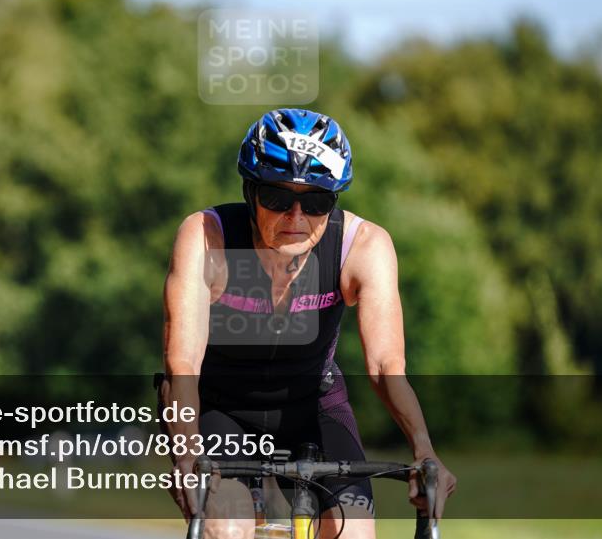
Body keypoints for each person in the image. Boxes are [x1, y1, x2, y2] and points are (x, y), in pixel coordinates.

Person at [161, 109, 456, 539]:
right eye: (278, 198)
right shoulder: (207, 237)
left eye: (316, 201)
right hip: (221, 406)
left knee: (353, 531)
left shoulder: (364, 247)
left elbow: (385, 367)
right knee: (226, 525)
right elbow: (182, 364)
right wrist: (186, 458)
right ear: (250, 191)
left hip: (313, 402)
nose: (297, 217)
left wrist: (425, 451)